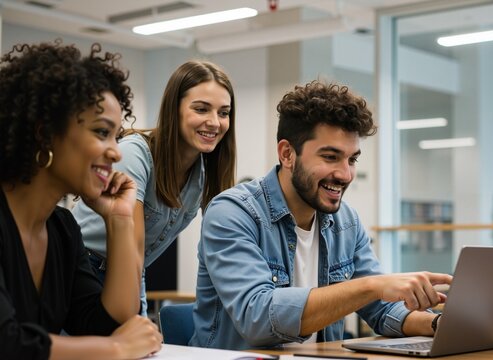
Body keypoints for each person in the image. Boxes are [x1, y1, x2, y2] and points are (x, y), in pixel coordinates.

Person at [190, 80, 452, 350]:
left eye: (352, 159)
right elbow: (257, 318)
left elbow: (383, 310)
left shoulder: (346, 222)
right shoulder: (233, 212)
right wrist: (373, 285)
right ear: (288, 154)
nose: (346, 174)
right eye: (330, 157)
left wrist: (441, 325)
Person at [0, 41, 162, 358]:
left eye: (117, 136)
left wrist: (119, 220)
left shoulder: (62, 229)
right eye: (102, 132)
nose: (116, 151)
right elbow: (6, 343)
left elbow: (106, 325)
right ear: (45, 133)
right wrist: (116, 348)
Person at [72, 60, 237, 315]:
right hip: (80, 270)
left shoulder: (203, 173)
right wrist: (136, 315)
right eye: (202, 109)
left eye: (224, 113)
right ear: (175, 109)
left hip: (128, 273)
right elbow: (133, 249)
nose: (215, 122)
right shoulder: (134, 154)